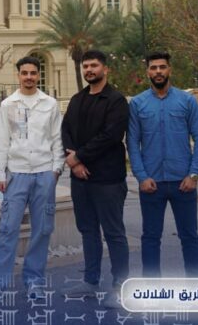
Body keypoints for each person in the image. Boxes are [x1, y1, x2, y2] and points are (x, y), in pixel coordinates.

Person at [0, 56, 64, 302]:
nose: (29, 77)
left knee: (42, 230)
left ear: (38, 75)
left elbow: (57, 138)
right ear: (18, 75)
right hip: (17, 173)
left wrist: (56, 169)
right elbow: (2, 141)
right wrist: (0, 173)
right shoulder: (8, 104)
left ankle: (34, 283)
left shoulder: (50, 103)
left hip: (44, 172)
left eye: (33, 73)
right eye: (24, 73)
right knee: (8, 229)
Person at [128, 51, 198, 278]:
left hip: (183, 182)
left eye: (162, 67)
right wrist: (142, 177)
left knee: (189, 236)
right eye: (153, 68)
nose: (158, 72)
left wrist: (194, 175)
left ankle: (195, 287)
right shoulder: (138, 104)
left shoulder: (187, 101)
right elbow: (132, 143)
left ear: (169, 70)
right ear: (147, 72)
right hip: (151, 183)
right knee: (150, 237)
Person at [60, 50, 130, 307]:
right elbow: (65, 130)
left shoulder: (116, 100)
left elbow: (110, 136)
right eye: (86, 66)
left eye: (94, 65)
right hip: (80, 179)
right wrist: (75, 162)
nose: (89, 70)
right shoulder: (77, 99)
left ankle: (120, 286)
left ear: (105, 69)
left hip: (108, 179)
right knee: (88, 231)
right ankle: (90, 281)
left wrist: (79, 157)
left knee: (114, 233)